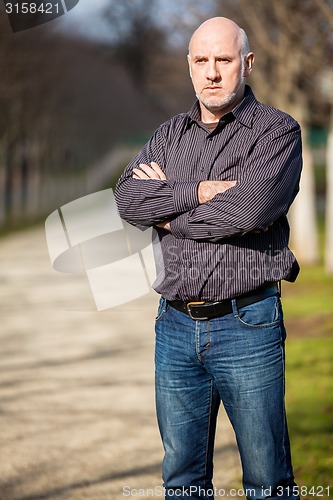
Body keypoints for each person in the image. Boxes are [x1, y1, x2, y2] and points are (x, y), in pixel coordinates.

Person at [115, 16, 302, 500]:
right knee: (181, 479)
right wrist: (198, 190)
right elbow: (128, 201)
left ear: (248, 63)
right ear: (189, 66)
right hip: (174, 328)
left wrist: (171, 213)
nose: (212, 72)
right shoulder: (169, 134)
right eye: (202, 60)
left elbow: (250, 211)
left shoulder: (277, 132)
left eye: (224, 59)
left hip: (248, 325)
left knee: (267, 478)